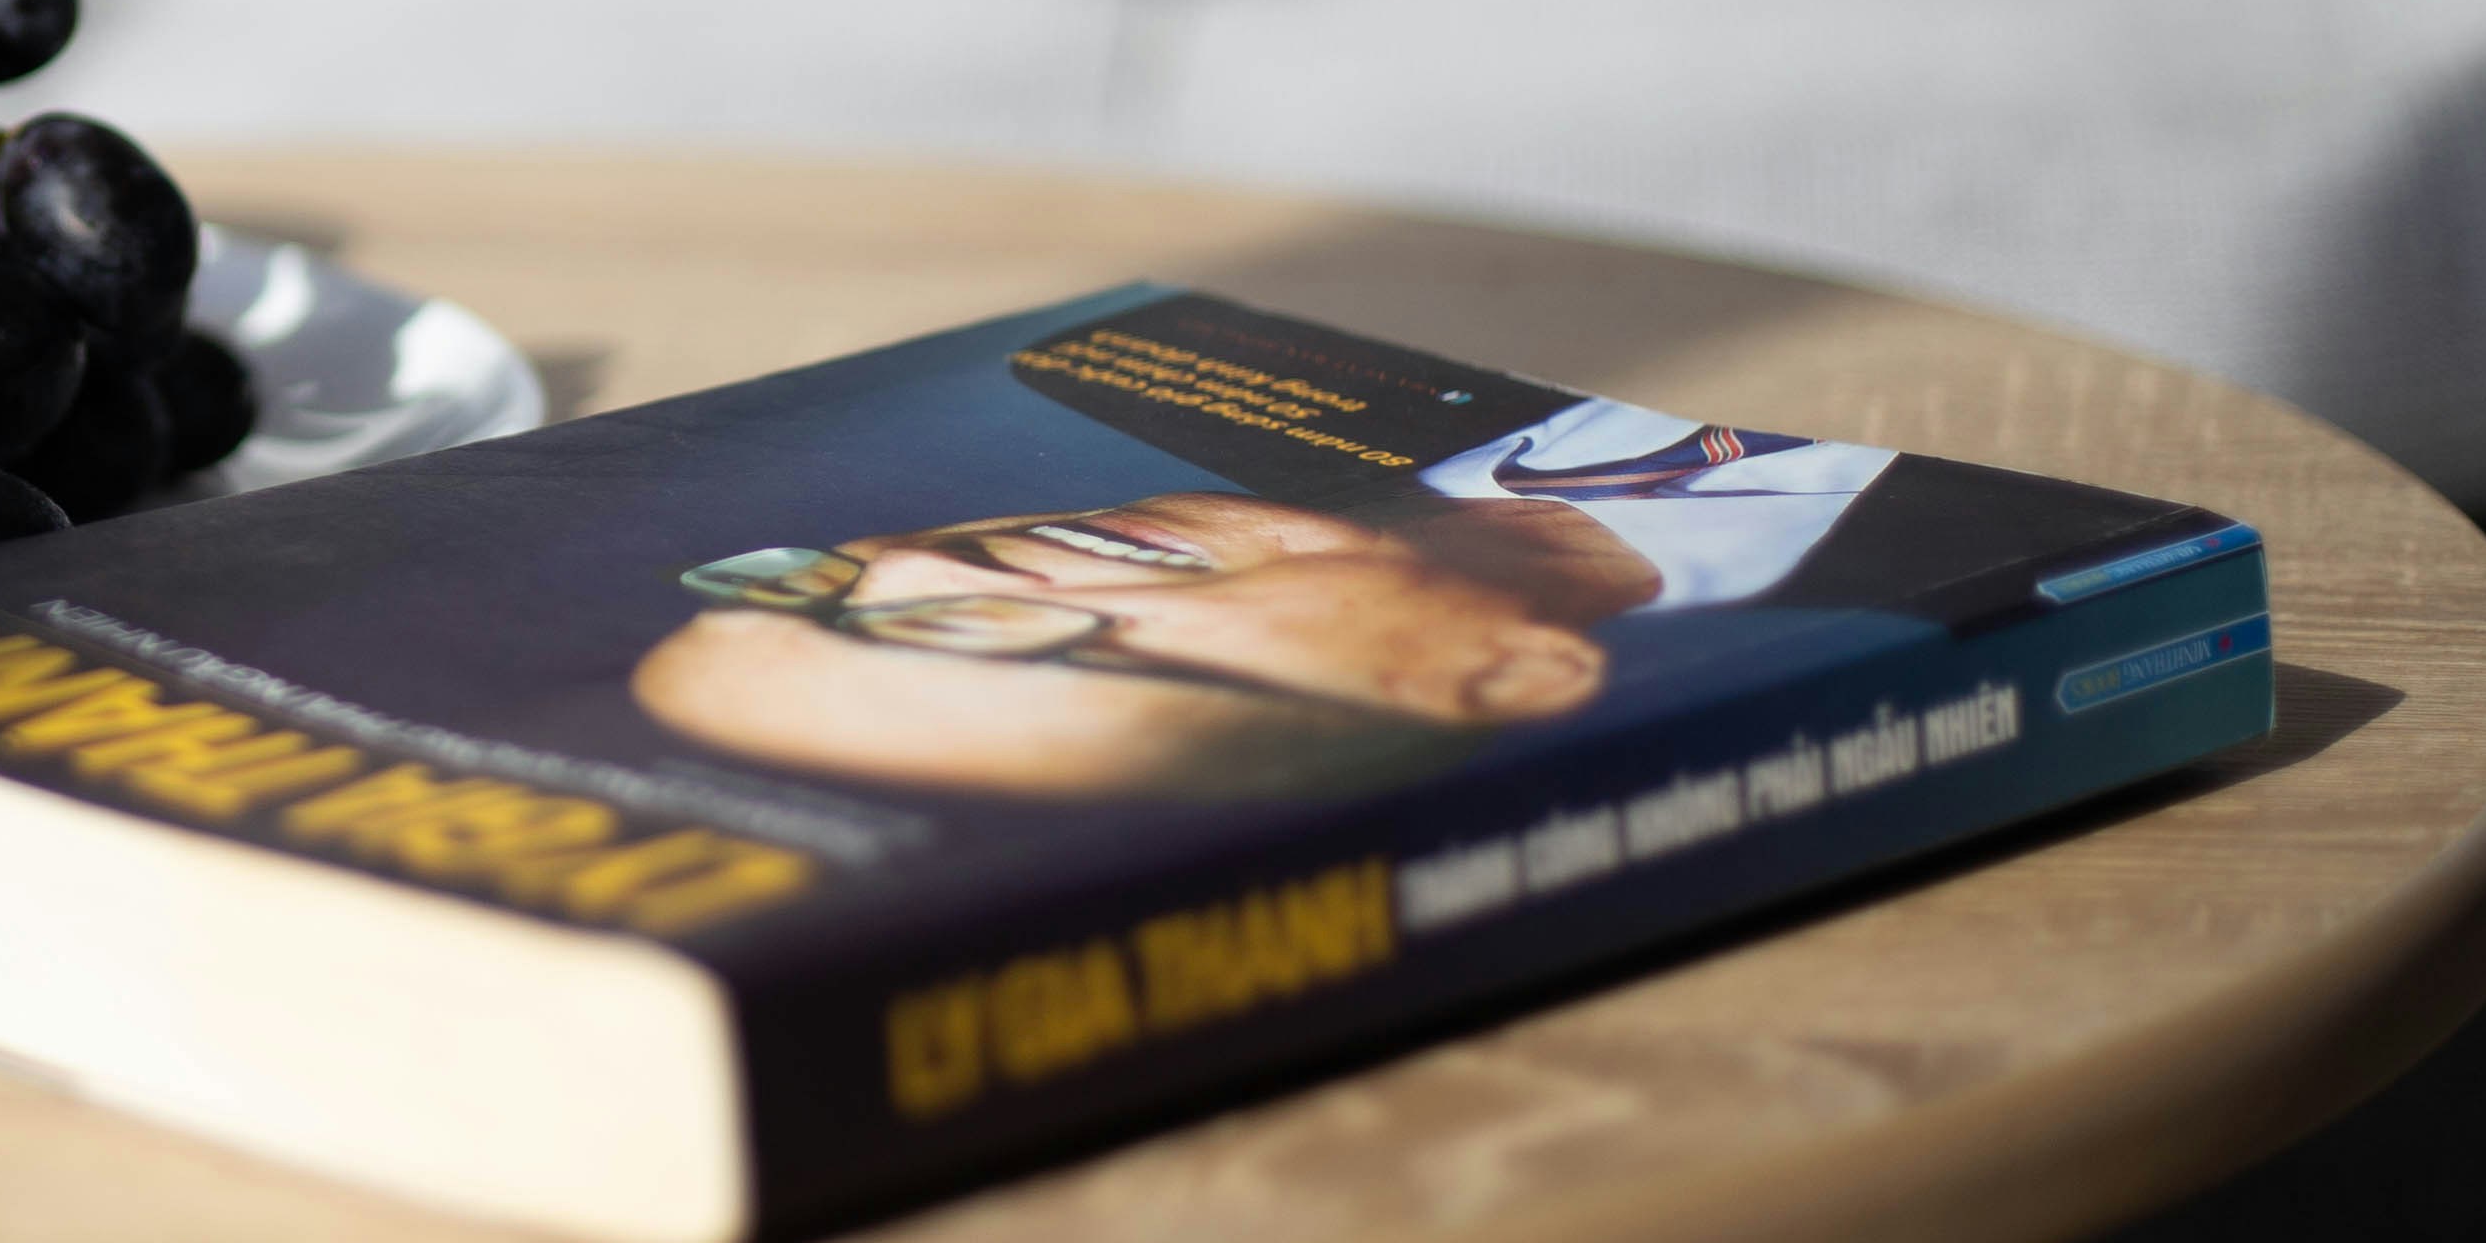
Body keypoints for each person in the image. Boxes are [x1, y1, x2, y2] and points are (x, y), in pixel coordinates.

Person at [627, 403, 1908, 803]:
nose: (924, 566)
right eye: (981, 639)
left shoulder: (1135, 381)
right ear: (1509, 683)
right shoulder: (1910, 596)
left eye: (814, 586)